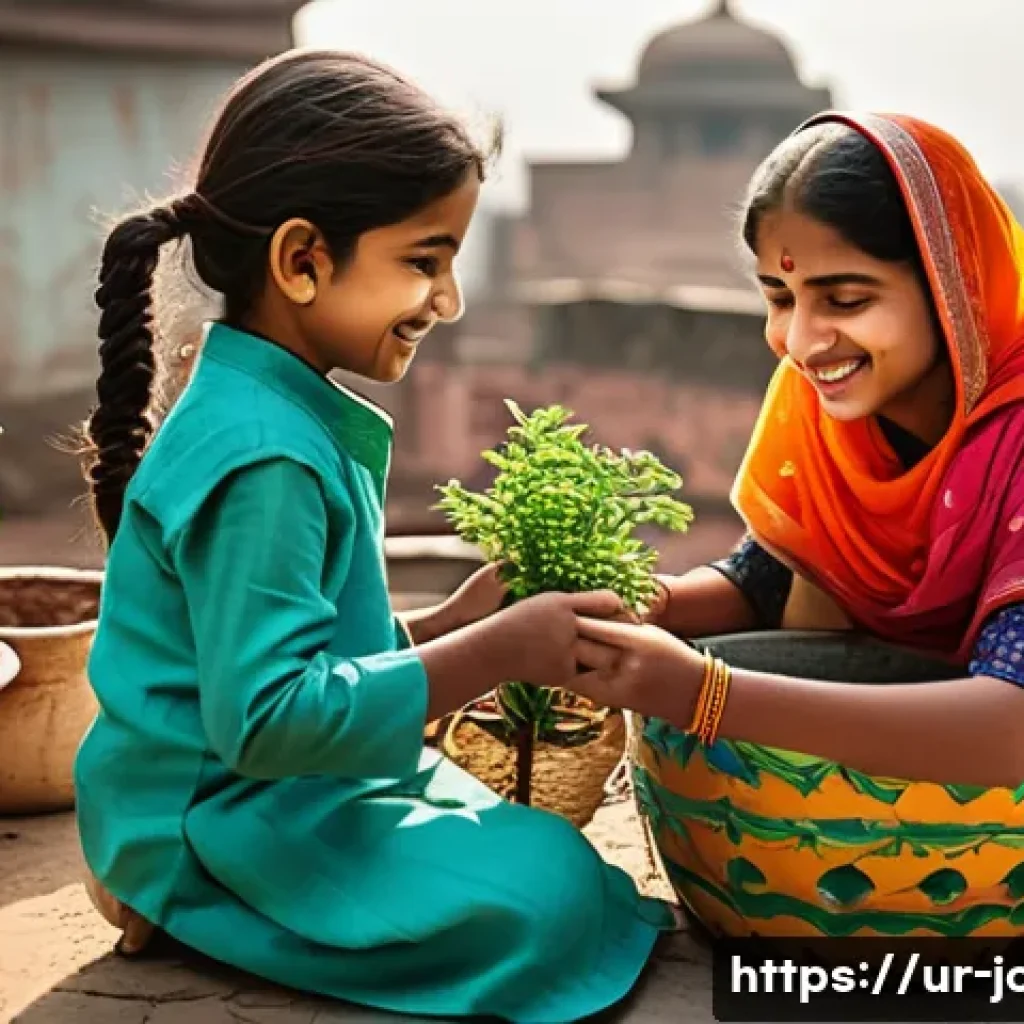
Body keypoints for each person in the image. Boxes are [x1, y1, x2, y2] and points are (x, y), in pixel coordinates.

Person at [74, 49, 678, 1024]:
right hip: (212, 820)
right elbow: (269, 721)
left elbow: (293, 653)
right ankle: (178, 899)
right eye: (424, 261)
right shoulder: (263, 454)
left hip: (257, 791)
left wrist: (448, 620)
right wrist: (497, 651)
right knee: (543, 897)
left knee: (542, 859)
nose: (449, 303)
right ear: (304, 260)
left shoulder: (272, 407)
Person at [571, 112, 1024, 790]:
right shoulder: (828, 416)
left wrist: (706, 696)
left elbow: (1009, 730)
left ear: (952, 286)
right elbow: (769, 579)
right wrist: (638, 604)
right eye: (779, 297)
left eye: (843, 299)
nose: (802, 341)